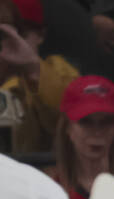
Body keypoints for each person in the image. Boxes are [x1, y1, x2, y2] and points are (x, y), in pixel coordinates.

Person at [0, 0, 78, 153]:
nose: (9, 43)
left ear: (41, 35)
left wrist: (33, 69)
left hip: (35, 172)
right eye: (1, 36)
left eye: (20, 34)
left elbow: (74, 122)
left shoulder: (59, 71)